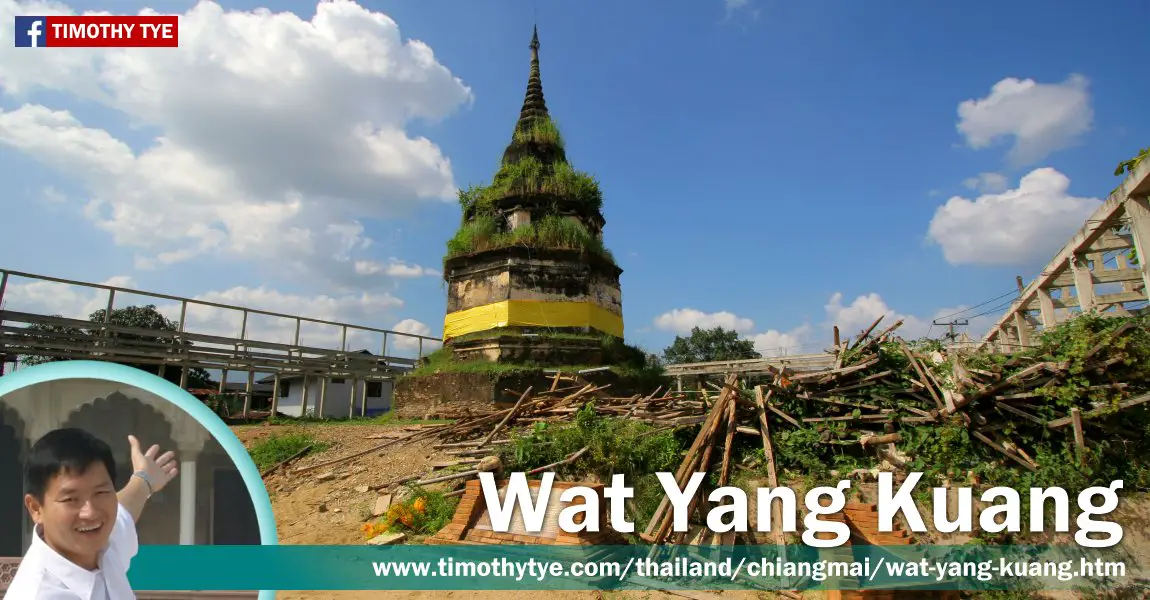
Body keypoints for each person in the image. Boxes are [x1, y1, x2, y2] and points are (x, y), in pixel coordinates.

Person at [6, 428, 179, 599]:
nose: (90, 513)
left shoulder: (105, 544)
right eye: (71, 499)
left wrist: (144, 479)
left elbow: (125, 509)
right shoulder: (37, 594)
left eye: (101, 493)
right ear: (36, 508)